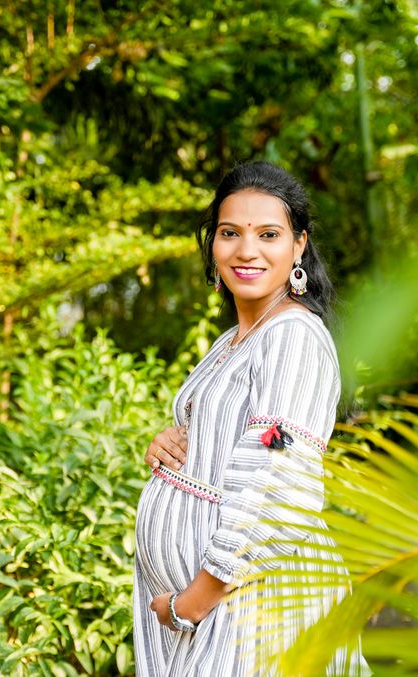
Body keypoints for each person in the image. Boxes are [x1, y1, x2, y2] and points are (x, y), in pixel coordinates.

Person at [132, 162, 369, 676]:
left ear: (298, 246)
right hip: (221, 605)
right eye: (229, 233)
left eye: (268, 234)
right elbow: (228, 437)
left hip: (253, 604)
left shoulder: (292, 337)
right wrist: (170, 446)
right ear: (212, 243)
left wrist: (195, 599)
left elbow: (278, 480)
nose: (246, 251)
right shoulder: (234, 342)